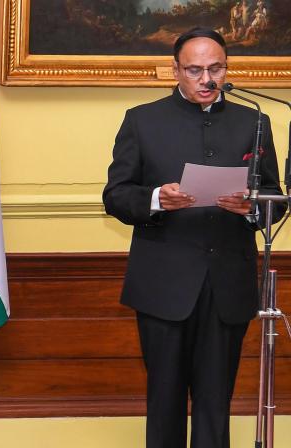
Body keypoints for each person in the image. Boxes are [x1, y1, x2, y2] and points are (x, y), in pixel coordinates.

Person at [102, 28, 285, 448]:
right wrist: (156, 198)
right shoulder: (142, 119)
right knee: (164, 403)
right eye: (195, 70)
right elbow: (115, 195)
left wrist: (252, 208)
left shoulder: (254, 120)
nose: (207, 79)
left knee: (214, 403)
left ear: (227, 69)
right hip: (163, 283)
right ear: (176, 71)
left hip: (228, 284)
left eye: (216, 68)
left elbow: (274, 196)